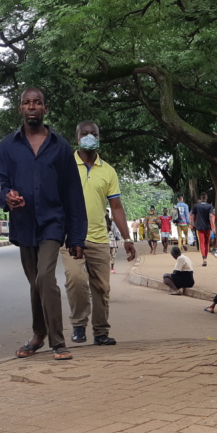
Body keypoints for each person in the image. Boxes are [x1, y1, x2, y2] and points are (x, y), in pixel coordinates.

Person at [0, 88, 87, 362]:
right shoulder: (7, 146)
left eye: (37, 103)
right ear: (20, 108)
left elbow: (73, 193)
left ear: (45, 109)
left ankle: (57, 341)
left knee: (45, 277)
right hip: (23, 225)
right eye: (26, 103)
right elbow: (0, 185)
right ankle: (38, 334)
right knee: (34, 283)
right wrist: (6, 197)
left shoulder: (60, 147)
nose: (32, 107)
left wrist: (77, 238)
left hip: (52, 223)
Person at [58, 120, 136, 345]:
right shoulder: (64, 166)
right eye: (85, 133)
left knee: (102, 287)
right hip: (71, 237)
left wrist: (127, 238)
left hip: (100, 237)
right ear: (77, 138)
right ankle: (79, 324)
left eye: (94, 133)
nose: (89, 136)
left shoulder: (108, 171)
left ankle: (101, 332)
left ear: (99, 138)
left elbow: (117, 207)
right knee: (76, 280)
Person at [191, 193, 215, 266]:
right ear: (206, 198)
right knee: (207, 243)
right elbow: (211, 217)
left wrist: (194, 224)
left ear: (201, 198)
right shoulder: (210, 206)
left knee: (201, 242)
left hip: (200, 227)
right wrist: (213, 226)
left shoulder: (196, 206)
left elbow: (193, 216)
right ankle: (206, 258)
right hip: (208, 227)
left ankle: (204, 258)